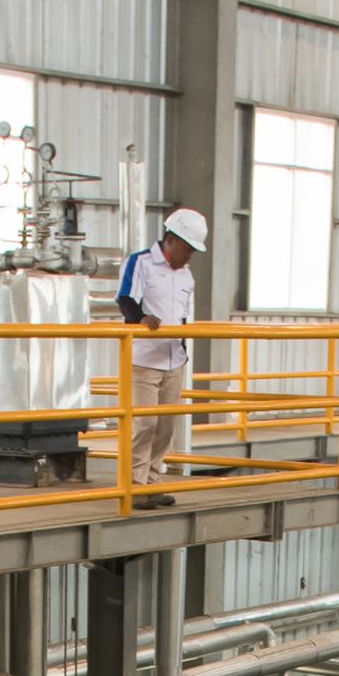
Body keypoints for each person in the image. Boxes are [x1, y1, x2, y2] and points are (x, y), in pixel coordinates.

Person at [114, 209, 205, 506]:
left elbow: (183, 316)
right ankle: (134, 485)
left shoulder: (187, 276)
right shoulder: (141, 262)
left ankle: (152, 483)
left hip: (173, 359)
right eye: (188, 248)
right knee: (144, 424)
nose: (189, 255)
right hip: (143, 359)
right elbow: (125, 297)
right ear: (171, 239)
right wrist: (140, 318)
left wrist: (183, 348)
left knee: (165, 426)